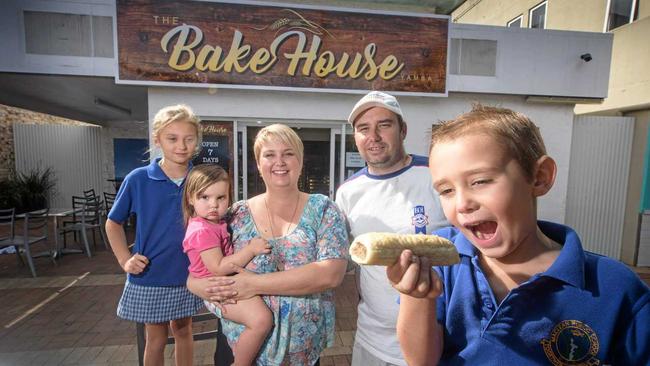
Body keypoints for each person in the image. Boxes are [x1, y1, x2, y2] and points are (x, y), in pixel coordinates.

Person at [388, 104, 650, 365]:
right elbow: (422, 361)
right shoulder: (444, 265)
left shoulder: (616, 288)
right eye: (446, 191)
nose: (462, 204)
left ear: (539, 177)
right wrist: (417, 297)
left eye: (479, 181)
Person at [187, 123, 349, 365]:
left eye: (288, 153)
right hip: (239, 351)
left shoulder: (324, 209)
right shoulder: (235, 214)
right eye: (270, 155)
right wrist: (195, 285)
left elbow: (331, 275)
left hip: (300, 355)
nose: (279, 162)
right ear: (258, 163)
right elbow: (202, 261)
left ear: (300, 160)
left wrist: (253, 284)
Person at [335, 90, 448, 366]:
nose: (373, 136)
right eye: (364, 129)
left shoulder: (436, 175)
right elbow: (349, 261)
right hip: (371, 339)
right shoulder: (348, 193)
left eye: (384, 125)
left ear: (403, 130)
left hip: (436, 338)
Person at [105, 104, 204, 366]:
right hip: (151, 275)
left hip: (189, 273)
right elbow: (113, 224)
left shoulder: (201, 179)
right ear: (157, 139)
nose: (181, 146)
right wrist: (125, 259)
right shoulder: (138, 179)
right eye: (172, 138)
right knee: (156, 338)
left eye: (188, 139)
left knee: (184, 330)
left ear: (197, 140)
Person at [181, 163, 273, 366]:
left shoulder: (213, 223)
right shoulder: (202, 230)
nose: (213, 204)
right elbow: (219, 267)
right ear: (190, 198)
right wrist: (251, 249)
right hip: (218, 285)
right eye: (205, 197)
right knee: (261, 321)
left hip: (219, 283)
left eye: (220, 198)